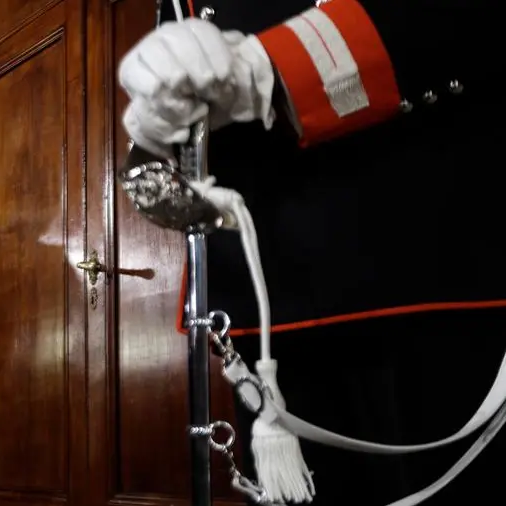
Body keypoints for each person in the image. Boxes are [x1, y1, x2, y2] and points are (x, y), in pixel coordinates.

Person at [119, 0, 504, 505]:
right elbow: (190, 135)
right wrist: (152, 143)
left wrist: (275, 66)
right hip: (271, 310)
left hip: (426, 267)